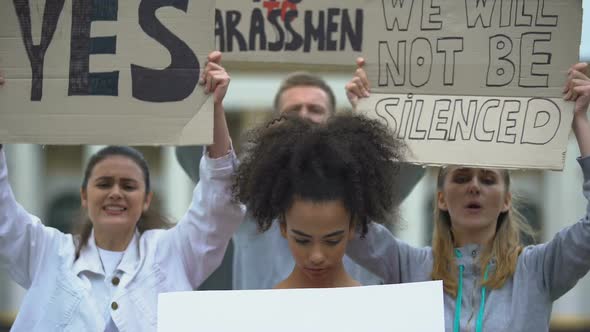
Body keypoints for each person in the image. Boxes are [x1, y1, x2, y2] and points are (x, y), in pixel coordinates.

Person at [0, 51, 244, 331]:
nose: (116, 192)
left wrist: (213, 108)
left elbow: (219, 206)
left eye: (129, 186)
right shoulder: (46, 252)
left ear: (146, 200)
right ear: (84, 196)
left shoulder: (173, 253)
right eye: (104, 183)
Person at [345, 60, 590, 331]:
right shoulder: (409, 266)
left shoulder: (538, 269)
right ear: (441, 198)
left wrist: (579, 119)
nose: (474, 186)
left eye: (487, 179)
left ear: (506, 200)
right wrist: (364, 124)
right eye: (461, 178)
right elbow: (349, 226)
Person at [176, 71, 426, 289]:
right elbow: (210, 170)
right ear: (274, 125)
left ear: (335, 122)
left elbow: (409, 162)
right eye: (293, 111)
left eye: (315, 109)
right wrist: (206, 100)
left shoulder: (363, 191)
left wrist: (375, 110)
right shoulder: (251, 195)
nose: (304, 116)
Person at [232, 113, 406, 288]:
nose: (317, 257)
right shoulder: (263, 309)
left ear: (352, 226)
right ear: (283, 227)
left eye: (332, 241)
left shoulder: (375, 307)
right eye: (303, 240)